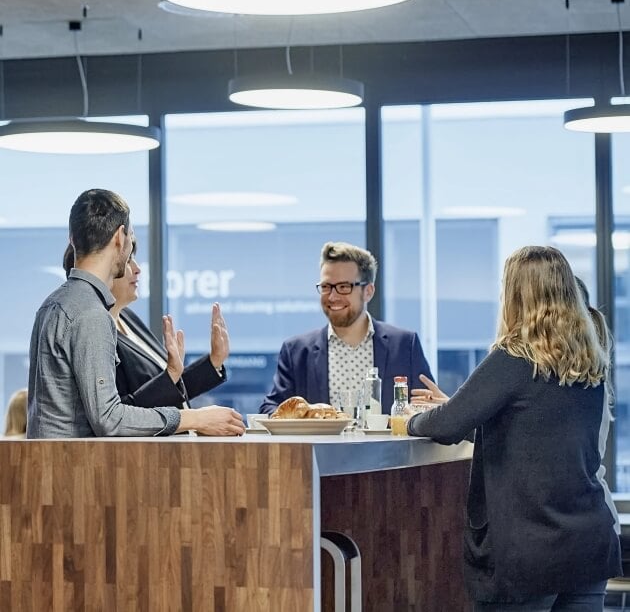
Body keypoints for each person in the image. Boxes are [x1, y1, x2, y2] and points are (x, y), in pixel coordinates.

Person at [407, 246, 621, 611]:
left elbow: (445, 426)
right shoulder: (589, 362)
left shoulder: (514, 357)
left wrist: (409, 420)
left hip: (529, 548)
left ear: (516, 295)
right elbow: (530, 432)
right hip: (587, 541)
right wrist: (462, 409)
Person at [28, 188, 244, 438]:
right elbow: (109, 419)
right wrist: (192, 418)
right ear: (120, 237)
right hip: (75, 470)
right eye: (130, 238)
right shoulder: (92, 314)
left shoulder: (52, 304)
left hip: (50, 466)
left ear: (72, 238)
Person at [260, 241, 433, 415]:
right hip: (320, 444)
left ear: (368, 291)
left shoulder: (404, 346)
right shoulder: (296, 351)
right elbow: (270, 410)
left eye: (344, 287)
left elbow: (429, 407)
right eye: (326, 287)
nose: (333, 296)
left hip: (388, 443)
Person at [63, 241, 228, 409]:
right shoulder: (94, 331)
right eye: (128, 261)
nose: (137, 268)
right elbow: (118, 414)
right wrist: (193, 419)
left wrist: (214, 361)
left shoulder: (127, 317)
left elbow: (171, 388)